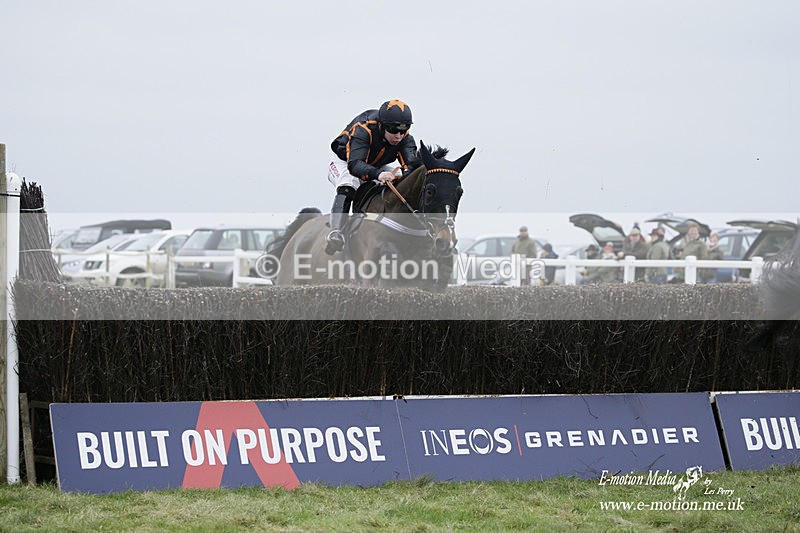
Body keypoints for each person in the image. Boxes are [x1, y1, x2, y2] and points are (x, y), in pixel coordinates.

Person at [325, 99, 420, 254]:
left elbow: (411, 170)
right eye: (393, 130)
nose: (399, 136)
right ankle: (336, 233)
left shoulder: (406, 138)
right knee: (348, 184)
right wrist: (378, 174)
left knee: (401, 182)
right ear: (382, 126)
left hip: (375, 163)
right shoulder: (364, 129)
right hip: (345, 161)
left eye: (404, 130)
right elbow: (355, 165)